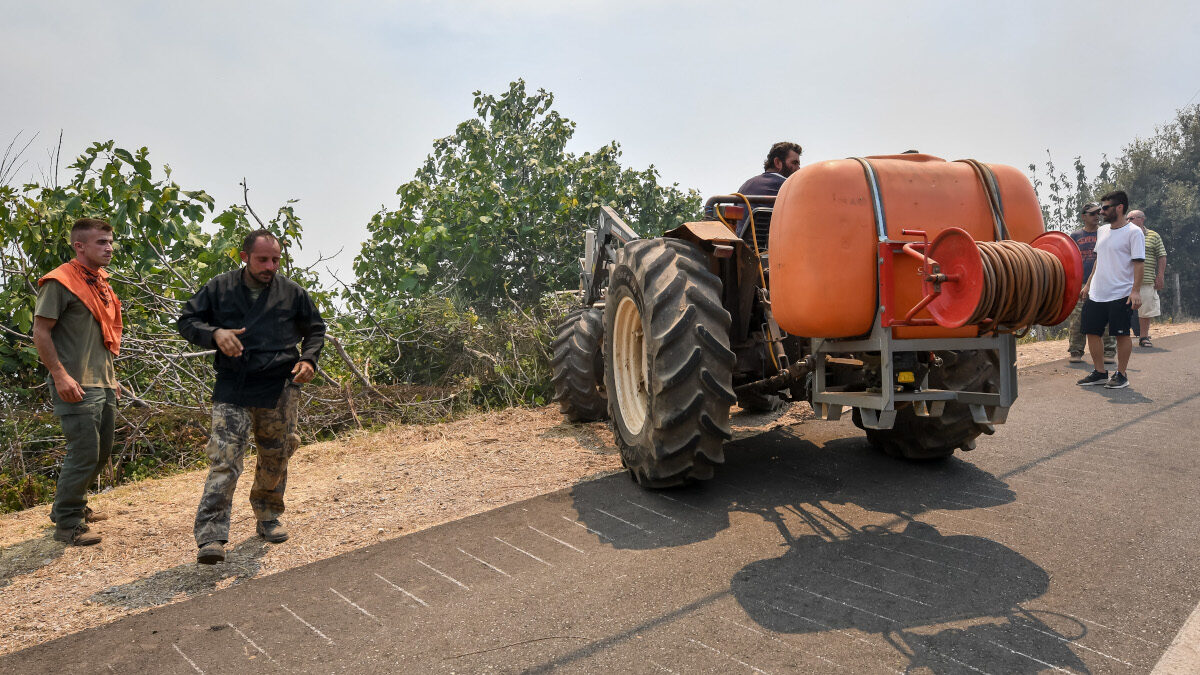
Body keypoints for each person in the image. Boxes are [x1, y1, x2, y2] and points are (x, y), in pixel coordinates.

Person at [178, 230, 326, 564]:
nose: (270, 266)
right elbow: (187, 321)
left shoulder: (292, 293)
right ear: (244, 256)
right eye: (263, 259)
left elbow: (315, 329)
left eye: (275, 259)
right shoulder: (220, 288)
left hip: (279, 385)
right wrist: (214, 333)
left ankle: (268, 514)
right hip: (234, 384)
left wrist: (308, 359)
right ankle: (211, 536)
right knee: (225, 459)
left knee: (277, 454)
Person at [32, 218, 122, 546]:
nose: (109, 247)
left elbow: (99, 338)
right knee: (83, 453)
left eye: (110, 241)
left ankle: (71, 507)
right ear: (79, 246)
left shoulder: (100, 283)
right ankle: (68, 523)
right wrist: (59, 375)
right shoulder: (60, 282)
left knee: (101, 454)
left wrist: (112, 377)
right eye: (101, 242)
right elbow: (40, 332)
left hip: (103, 381)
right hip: (75, 383)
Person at [1076, 191, 1144, 389]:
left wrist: (1136, 291)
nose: (1102, 212)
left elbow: (1139, 263)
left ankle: (1121, 374)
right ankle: (1099, 373)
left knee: (1121, 334)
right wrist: (1088, 285)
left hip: (1121, 293)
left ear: (1120, 207)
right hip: (1098, 292)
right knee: (1091, 331)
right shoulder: (1103, 231)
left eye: (1105, 208)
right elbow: (1099, 260)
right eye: (1101, 208)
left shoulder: (1133, 232)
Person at [1066, 203, 1117, 363]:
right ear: (1083, 216)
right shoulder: (1075, 236)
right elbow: (1068, 258)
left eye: (1098, 213)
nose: (1097, 216)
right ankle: (1076, 351)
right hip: (1081, 284)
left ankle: (1108, 352)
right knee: (1078, 318)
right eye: (1092, 213)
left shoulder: (1107, 233)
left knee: (1107, 317)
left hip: (1104, 282)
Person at [730, 142, 802, 238]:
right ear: (777, 163)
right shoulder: (789, 186)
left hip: (744, 249)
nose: (798, 168)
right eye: (794, 163)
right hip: (778, 247)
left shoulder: (744, 186)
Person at [1126, 210, 1167, 347]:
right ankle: (1121, 338)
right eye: (1127, 218)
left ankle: (1144, 337)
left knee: (1145, 310)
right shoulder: (1124, 235)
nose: (1128, 221)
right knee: (1121, 309)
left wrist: (1160, 275)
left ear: (1142, 219)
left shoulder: (1154, 236)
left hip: (1147, 278)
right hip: (1125, 280)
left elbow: (1162, 255)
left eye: (1131, 218)